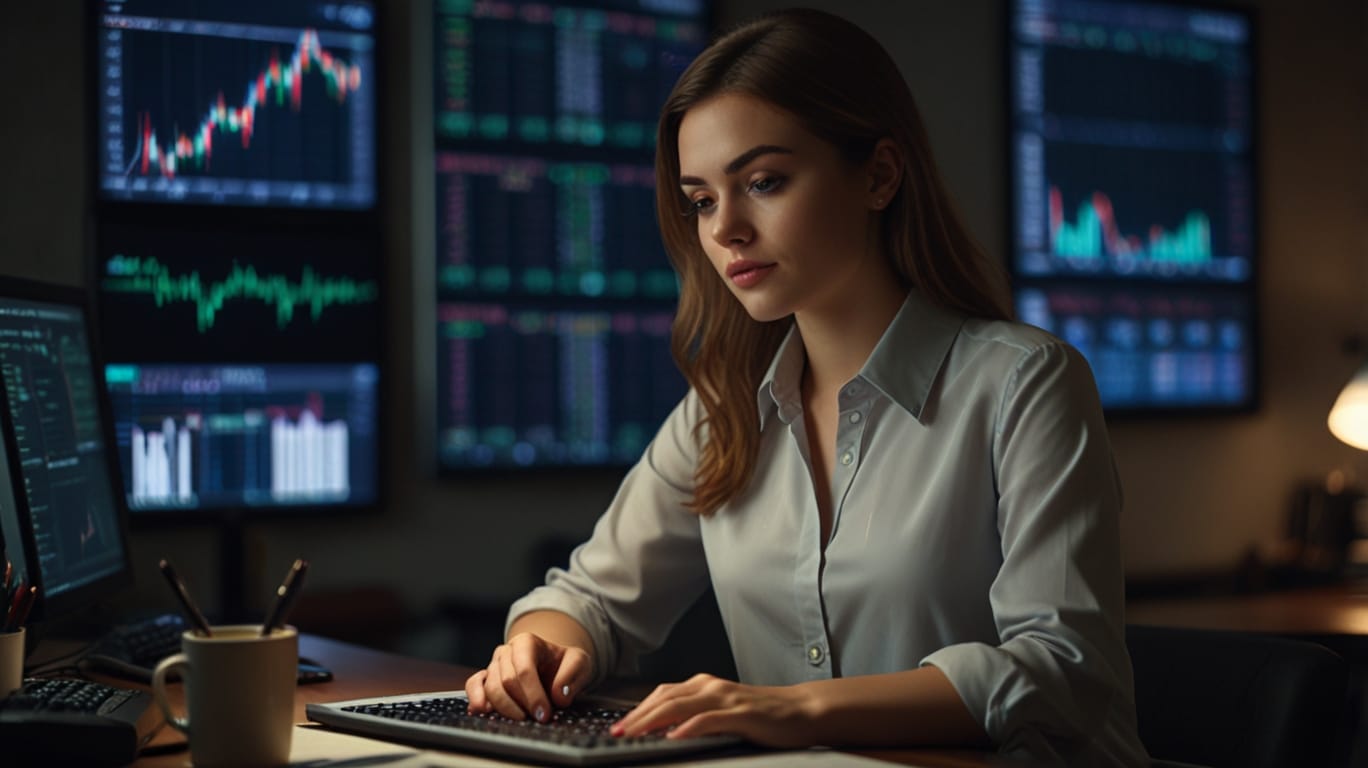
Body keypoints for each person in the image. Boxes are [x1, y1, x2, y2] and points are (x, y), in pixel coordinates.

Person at [464, 8, 1148, 766]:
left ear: (880, 175)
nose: (725, 229)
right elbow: (589, 601)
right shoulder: (722, 411)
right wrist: (538, 650)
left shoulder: (1024, 383)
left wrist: (790, 710)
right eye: (701, 199)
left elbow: (1060, 667)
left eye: (763, 182)